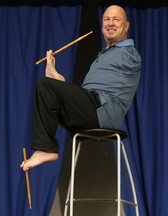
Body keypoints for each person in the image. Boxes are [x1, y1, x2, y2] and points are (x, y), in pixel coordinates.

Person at [21, 5, 141, 171]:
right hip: (91, 108)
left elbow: (94, 95)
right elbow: (80, 98)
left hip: (102, 111)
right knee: (47, 89)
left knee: (46, 85)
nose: (110, 23)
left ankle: (46, 148)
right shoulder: (105, 54)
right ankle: (45, 147)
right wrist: (53, 73)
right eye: (106, 19)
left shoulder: (129, 53)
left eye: (116, 19)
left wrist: (55, 86)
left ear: (126, 26)